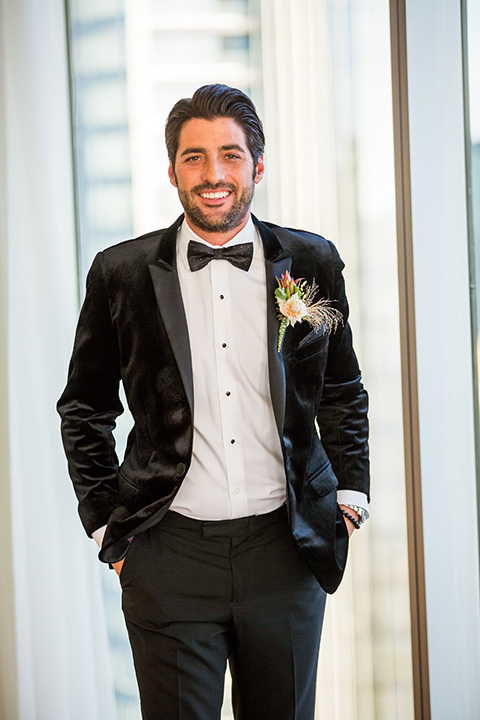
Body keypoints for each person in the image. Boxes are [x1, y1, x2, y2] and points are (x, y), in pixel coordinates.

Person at [57, 83, 370, 720]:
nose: (213, 175)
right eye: (194, 158)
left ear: (258, 165)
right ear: (171, 169)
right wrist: (106, 527)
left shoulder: (312, 261)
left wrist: (349, 502)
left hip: (286, 550)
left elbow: (341, 389)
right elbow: (85, 407)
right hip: (168, 556)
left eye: (229, 155)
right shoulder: (120, 272)